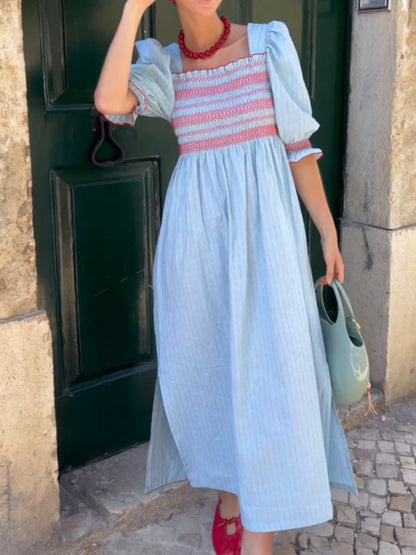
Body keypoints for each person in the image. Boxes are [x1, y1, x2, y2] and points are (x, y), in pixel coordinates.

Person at [95, 1, 357, 553]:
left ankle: (257, 526)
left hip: (269, 249)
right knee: (214, 375)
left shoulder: (268, 45)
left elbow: (296, 147)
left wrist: (328, 232)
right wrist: (130, 11)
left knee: (273, 378)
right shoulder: (165, 68)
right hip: (196, 253)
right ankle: (232, 495)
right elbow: (109, 101)